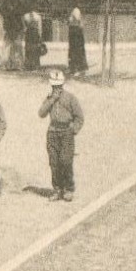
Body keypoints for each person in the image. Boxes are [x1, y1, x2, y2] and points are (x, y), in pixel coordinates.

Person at [38, 70, 84, 201]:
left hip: (66, 132)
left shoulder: (70, 98)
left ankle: (68, 188)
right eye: (54, 86)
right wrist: (51, 100)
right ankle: (57, 189)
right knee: (54, 162)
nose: (56, 88)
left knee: (66, 160)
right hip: (53, 131)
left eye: (58, 86)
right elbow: (41, 113)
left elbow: (79, 117)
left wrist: (73, 130)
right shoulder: (49, 98)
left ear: (62, 84)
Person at [66, 5, 88, 75]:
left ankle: (79, 69)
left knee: (77, 49)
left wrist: (71, 20)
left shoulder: (76, 10)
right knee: (72, 50)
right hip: (72, 30)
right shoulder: (72, 11)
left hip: (76, 31)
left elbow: (78, 20)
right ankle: (72, 68)